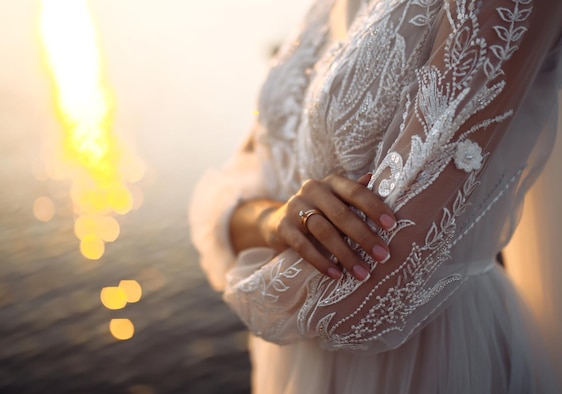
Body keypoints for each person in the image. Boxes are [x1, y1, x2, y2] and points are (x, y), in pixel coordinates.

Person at [189, 0, 562, 392]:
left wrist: (269, 244)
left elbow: (366, 304)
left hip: (433, 364)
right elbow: (240, 181)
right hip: (295, 372)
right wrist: (276, 221)